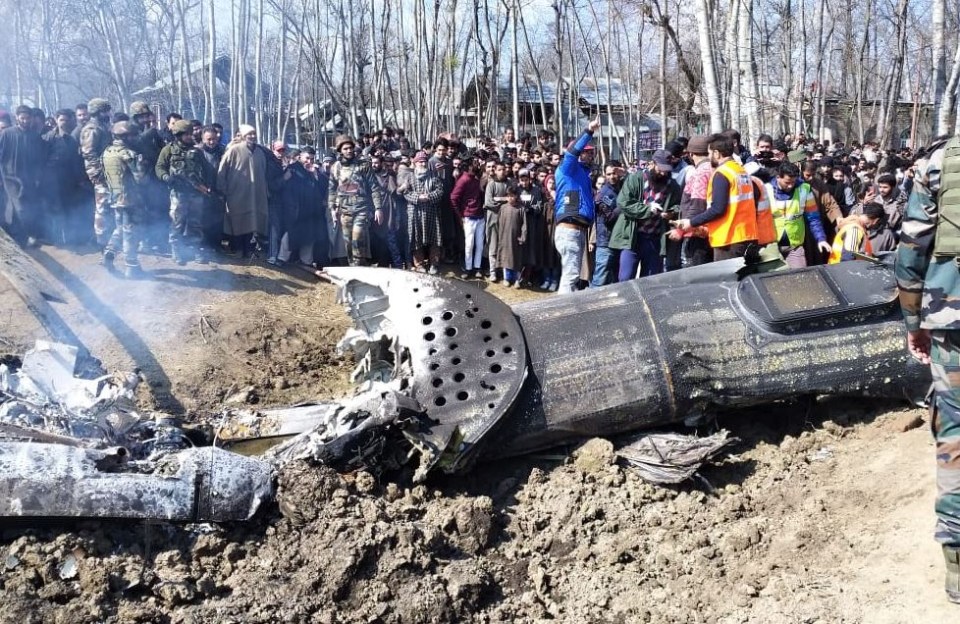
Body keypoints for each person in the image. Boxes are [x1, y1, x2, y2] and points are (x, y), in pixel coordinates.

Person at [895, 132, 960, 604]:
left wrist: (912, 318)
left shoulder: (941, 161)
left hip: (954, 320)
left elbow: (914, 243)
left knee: (955, 439)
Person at [674, 134, 759, 261]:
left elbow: (718, 209)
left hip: (728, 238)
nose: (708, 157)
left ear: (716, 153)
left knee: (726, 280)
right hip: (746, 234)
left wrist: (691, 222)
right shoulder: (740, 171)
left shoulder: (722, 173)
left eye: (709, 153)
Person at [610, 150, 682, 280]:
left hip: (655, 238)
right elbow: (623, 202)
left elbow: (679, 205)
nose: (663, 173)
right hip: (632, 237)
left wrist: (671, 213)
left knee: (650, 280)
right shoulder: (636, 179)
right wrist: (647, 209)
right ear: (652, 164)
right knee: (625, 278)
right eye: (661, 169)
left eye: (667, 170)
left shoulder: (673, 186)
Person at [553, 116, 600, 293]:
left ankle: (565, 307)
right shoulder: (567, 168)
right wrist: (589, 130)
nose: (589, 154)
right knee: (571, 275)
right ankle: (563, 311)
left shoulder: (583, 174)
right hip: (569, 230)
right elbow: (572, 152)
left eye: (590, 151)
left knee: (571, 274)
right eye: (586, 151)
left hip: (579, 231)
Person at [156, 119, 213, 264]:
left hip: (196, 193)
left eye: (190, 134)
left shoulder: (197, 151)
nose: (190, 136)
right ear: (179, 134)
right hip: (178, 193)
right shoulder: (168, 149)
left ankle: (195, 250)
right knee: (177, 222)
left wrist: (208, 185)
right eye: (186, 134)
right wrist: (167, 178)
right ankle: (176, 251)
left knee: (195, 223)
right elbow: (159, 167)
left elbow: (207, 169)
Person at [329, 134, 384, 266]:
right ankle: (355, 268)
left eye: (350, 148)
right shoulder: (335, 167)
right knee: (348, 244)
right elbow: (332, 189)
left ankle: (359, 267)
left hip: (361, 209)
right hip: (344, 211)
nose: (349, 151)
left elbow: (374, 187)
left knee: (358, 239)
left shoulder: (363, 165)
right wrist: (332, 209)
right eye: (345, 149)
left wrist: (378, 208)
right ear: (340, 151)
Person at [101, 121, 147, 277]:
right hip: (130, 199)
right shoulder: (128, 154)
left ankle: (109, 251)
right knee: (130, 233)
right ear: (126, 136)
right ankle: (131, 266)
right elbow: (141, 179)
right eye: (133, 135)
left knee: (119, 228)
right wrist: (142, 165)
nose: (136, 138)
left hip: (114, 198)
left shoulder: (107, 152)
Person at [764, 162, 831, 268]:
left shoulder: (804, 189)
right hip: (771, 246)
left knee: (800, 275)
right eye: (787, 182)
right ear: (778, 177)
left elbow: (813, 218)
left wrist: (821, 238)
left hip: (794, 245)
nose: (790, 185)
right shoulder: (765, 190)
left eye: (793, 182)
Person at [218, 124, 269, 257]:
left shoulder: (260, 152)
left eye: (253, 134)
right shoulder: (234, 150)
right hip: (237, 193)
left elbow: (264, 173)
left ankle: (248, 249)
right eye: (249, 134)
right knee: (237, 221)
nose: (252, 136)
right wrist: (223, 189)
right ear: (244, 136)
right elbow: (222, 171)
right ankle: (237, 248)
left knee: (252, 222)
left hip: (256, 194)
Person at [0, 105, 47, 247]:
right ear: (17, 118)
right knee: (17, 208)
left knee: (29, 207)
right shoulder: (7, 134)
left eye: (28, 118)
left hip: (30, 179)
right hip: (10, 178)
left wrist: (38, 177)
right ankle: (20, 238)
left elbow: (40, 159)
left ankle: (27, 236)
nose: (25, 121)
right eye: (22, 118)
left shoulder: (34, 136)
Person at [671, 134, 713, 267]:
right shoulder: (717, 168)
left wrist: (681, 230)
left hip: (697, 234)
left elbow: (696, 206)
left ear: (690, 154)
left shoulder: (700, 173)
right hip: (714, 232)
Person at [401, 151, 444, 274]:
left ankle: (434, 264)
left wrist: (429, 197)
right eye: (420, 161)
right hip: (415, 212)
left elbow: (440, 191)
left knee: (435, 239)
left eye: (424, 161)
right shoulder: (409, 177)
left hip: (432, 212)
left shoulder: (434, 176)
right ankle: (419, 264)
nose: (423, 163)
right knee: (416, 239)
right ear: (415, 163)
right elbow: (406, 192)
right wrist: (418, 198)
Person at [450, 160, 485, 279]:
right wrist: (460, 217)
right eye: (474, 163)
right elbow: (453, 198)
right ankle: (468, 268)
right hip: (468, 217)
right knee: (469, 245)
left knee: (479, 244)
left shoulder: (475, 179)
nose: (477, 165)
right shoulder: (463, 180)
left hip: (480, 216)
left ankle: (477, 267)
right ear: (468, 166)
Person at [590, 163, 622, 287]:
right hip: (605, 242)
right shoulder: (603, 194)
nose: (612, 176)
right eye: (608, 174)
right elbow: (609, 217)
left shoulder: (621, 189)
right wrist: (624, 205)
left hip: (618, 240)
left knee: (614, 278)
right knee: (600, 278)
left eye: (614, 173)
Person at [484, 161, 510, 282]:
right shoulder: (491, 184)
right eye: (500, 169)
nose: (502, 172)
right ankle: (493, 272)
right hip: (493, 219)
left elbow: (511, 200)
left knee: (504, 246)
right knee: (493, 245)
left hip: (506, 219)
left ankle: (504, 272)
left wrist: (500, 200)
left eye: (503, 169)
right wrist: (503, 202)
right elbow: (489, 202)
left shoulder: (508, 183)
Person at [498, 185, 527, 287]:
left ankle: (517, 279)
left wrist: (523, 237)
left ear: (516, 196)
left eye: (513, 196)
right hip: (505, 238)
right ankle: (506, 278)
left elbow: (524, 224)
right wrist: (500, 237)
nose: (510, 198)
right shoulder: (503, 208)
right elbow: (500, 223)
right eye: (508, 196)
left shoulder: (521, 208)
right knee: (506, 258)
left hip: (516, 238)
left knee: (517, 259)